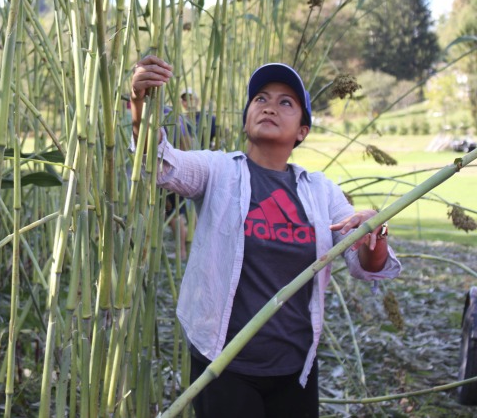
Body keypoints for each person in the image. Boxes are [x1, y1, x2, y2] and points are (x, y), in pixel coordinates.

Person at [130, 56, 402, 418]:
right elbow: (161, 163)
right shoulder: (218, 171)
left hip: (295, 368)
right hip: (223, 366)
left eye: (285, 102)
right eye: (261, 99)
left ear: (302, 131)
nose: (270, 106)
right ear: (246, 119)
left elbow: (365, 265)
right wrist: (140, 105)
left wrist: (375, 230)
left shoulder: (321, 192)